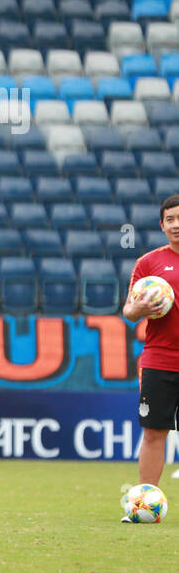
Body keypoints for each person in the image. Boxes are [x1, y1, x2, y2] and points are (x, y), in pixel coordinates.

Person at [121, 193, 179, 507]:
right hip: (160, 360)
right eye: (170, 219)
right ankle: (145, 503)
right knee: (155, 432)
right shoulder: (149, 263)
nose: (176, 224)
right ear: (161, 225)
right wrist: (139, 308)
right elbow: (128, 311)